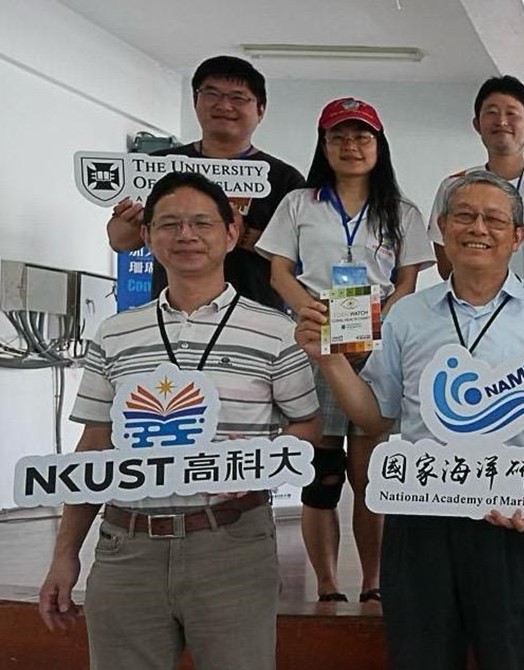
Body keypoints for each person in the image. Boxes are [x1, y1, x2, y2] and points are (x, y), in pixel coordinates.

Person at [295, 171, 524, 669]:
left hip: (517, 520)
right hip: (422, 518)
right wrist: (330, 360)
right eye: (463, 215)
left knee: (515, 658)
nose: (477, 228)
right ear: (442, 227)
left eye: (494, 219)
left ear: (517, 236)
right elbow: (376, 418)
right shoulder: (408, 315)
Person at [39, 172, 321, 668]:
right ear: (146, 237)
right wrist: (66, 552)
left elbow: (308, 430)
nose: (185, 235)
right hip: (127, 546)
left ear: (231, 234)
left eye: (201, 223)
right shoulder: (116, 334)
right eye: (168, 224)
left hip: (232, 544)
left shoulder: (277, 333)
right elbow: (94, 446)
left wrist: (262, 461)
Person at [256, 97, 435, 603]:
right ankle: (329, 583)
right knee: (322, 475)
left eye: (362, 137)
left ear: (379, 146)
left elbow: (407, 281)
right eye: (338, 137)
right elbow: (278, 272)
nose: (351, 147)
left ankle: (374, 580)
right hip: (317, 347)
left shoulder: (402, 211)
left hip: (378, 350)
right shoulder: (299, 203)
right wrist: (308, 313)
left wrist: (386, 318)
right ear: (324, 145)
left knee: (369, 473)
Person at [106, 55, 305, 310]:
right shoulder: (156, 167)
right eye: (211, 94)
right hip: (172, 314)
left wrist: (244, 235)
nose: (224, 105)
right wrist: (129, 220)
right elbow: (120, 241)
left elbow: (301, 256)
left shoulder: (283, 178)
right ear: (195, 101)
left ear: (260, 110)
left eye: (237, 97)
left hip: (255, 318)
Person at [427, 75, 524, 285]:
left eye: (512, 113)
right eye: (491, 113)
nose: (502, 121)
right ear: (477, 125)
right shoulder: (454, 187)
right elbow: (446, 263)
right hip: (471, 310)